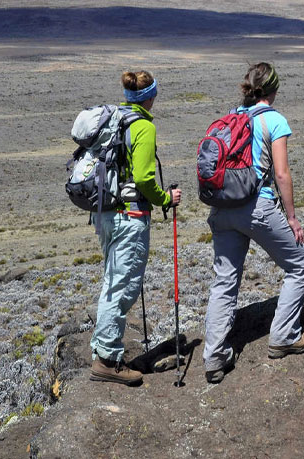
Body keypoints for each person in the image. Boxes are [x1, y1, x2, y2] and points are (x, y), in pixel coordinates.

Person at [203, 62, 304, 383]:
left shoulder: (232, 117)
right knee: (301, 264)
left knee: (224, 281)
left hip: (222, 209)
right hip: (257, 206)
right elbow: (281, 173)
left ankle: (214, 357)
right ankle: (284, 336)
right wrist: (291, 218)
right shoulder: (273, 120)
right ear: (274, 90)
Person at [89, 70, 182, 386]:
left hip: (106, 215)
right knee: (123, 286)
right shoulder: (142, 127)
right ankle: (108, 361)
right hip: (130, 216)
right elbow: (143, 178)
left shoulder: (115, 120)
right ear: (150, 96)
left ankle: (103, 352)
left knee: (112, 282)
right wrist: (166, 197)